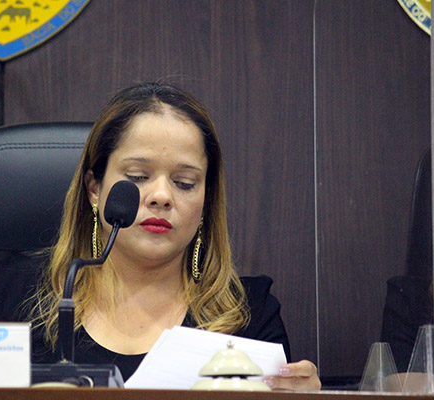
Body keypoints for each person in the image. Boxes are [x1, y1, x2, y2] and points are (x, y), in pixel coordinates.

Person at [25, 82, 321, 390]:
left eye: (184, 182)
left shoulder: (250, 316)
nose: (162, 196)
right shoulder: (11, 292)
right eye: (138, 177)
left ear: (206, 200)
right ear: (94, 188)